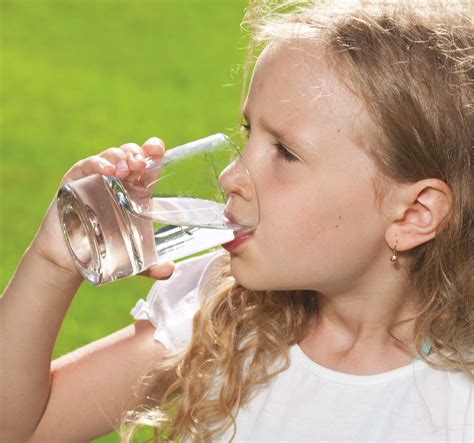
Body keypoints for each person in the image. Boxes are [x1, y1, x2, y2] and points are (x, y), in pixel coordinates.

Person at [1, 0, 472, 441]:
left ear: (413, 214)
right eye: (249, 132)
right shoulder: (221, 317)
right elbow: (21, 427)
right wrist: (53, 261)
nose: (230, 176)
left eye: (285, 152)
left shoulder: (457, 403)